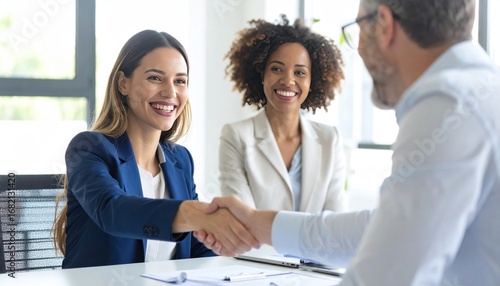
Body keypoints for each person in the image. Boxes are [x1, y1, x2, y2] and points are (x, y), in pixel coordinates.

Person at [196, 0, 500, 285]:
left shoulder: (447, 103)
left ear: (383, 24)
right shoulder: (479, 91)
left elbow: (385, 270)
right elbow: (382, 230)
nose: (361, 51)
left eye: (358, 31)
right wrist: (261, 223)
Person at [52, 30, 258, 268]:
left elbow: (196, 247)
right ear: (123, 83)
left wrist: (231, 243)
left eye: (180, 81)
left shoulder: (180, 160)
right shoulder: (89, 149)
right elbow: (113, 212)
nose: (170, 92)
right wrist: (195, 213)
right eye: (155, 78)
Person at [219, 15, 347, 212]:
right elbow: (242, 219)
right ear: (261, 75)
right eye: (277, 69)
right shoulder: (236, 137)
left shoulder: (330, 140)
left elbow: (336, 223)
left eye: (300, 72)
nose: (288, 81)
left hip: (314, 245)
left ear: (312, 81)